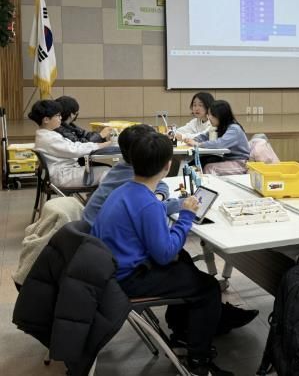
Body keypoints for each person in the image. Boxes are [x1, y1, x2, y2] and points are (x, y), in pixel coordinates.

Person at [91, 133, 238, 376]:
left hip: (110, 270)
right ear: (168, 166)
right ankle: (198, 361)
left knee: (185, 261)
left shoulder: (123, 191)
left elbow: (151, 227)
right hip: (127, 280)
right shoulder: (148, 204)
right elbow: (165, 254)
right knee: (208, 287)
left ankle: (182, 332)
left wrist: (176, 210)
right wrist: (187, 216)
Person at [83, 124, 182, 226]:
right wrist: (181, 204)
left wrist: (158, 196)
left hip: (95, 227)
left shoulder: (122, 168)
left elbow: (160, 186)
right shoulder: (132, 180)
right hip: (98, 232)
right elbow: (150, 210)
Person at [30, 100, 111, 188]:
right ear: (46, 120)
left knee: (107, 171)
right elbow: (74, 150)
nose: (61, 118)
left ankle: (97, 196)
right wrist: (100, 145)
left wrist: (99, 145)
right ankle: (99, 197)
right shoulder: (49, 138)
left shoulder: (47, 134)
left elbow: (74, 145)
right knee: (108, 172)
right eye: (58, 115)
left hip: (64, 172)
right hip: (64, 176)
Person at [184, 100, 250, 170]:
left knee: (209, 168)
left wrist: (198, 144)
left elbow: (220, 143)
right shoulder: (220, 127)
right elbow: (205, 136)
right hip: (227, 159)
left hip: (239, 162)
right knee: (201, 160)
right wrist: (193, 140)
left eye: (211, 115)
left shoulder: (234, 129)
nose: (208, 117)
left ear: (220, 115)